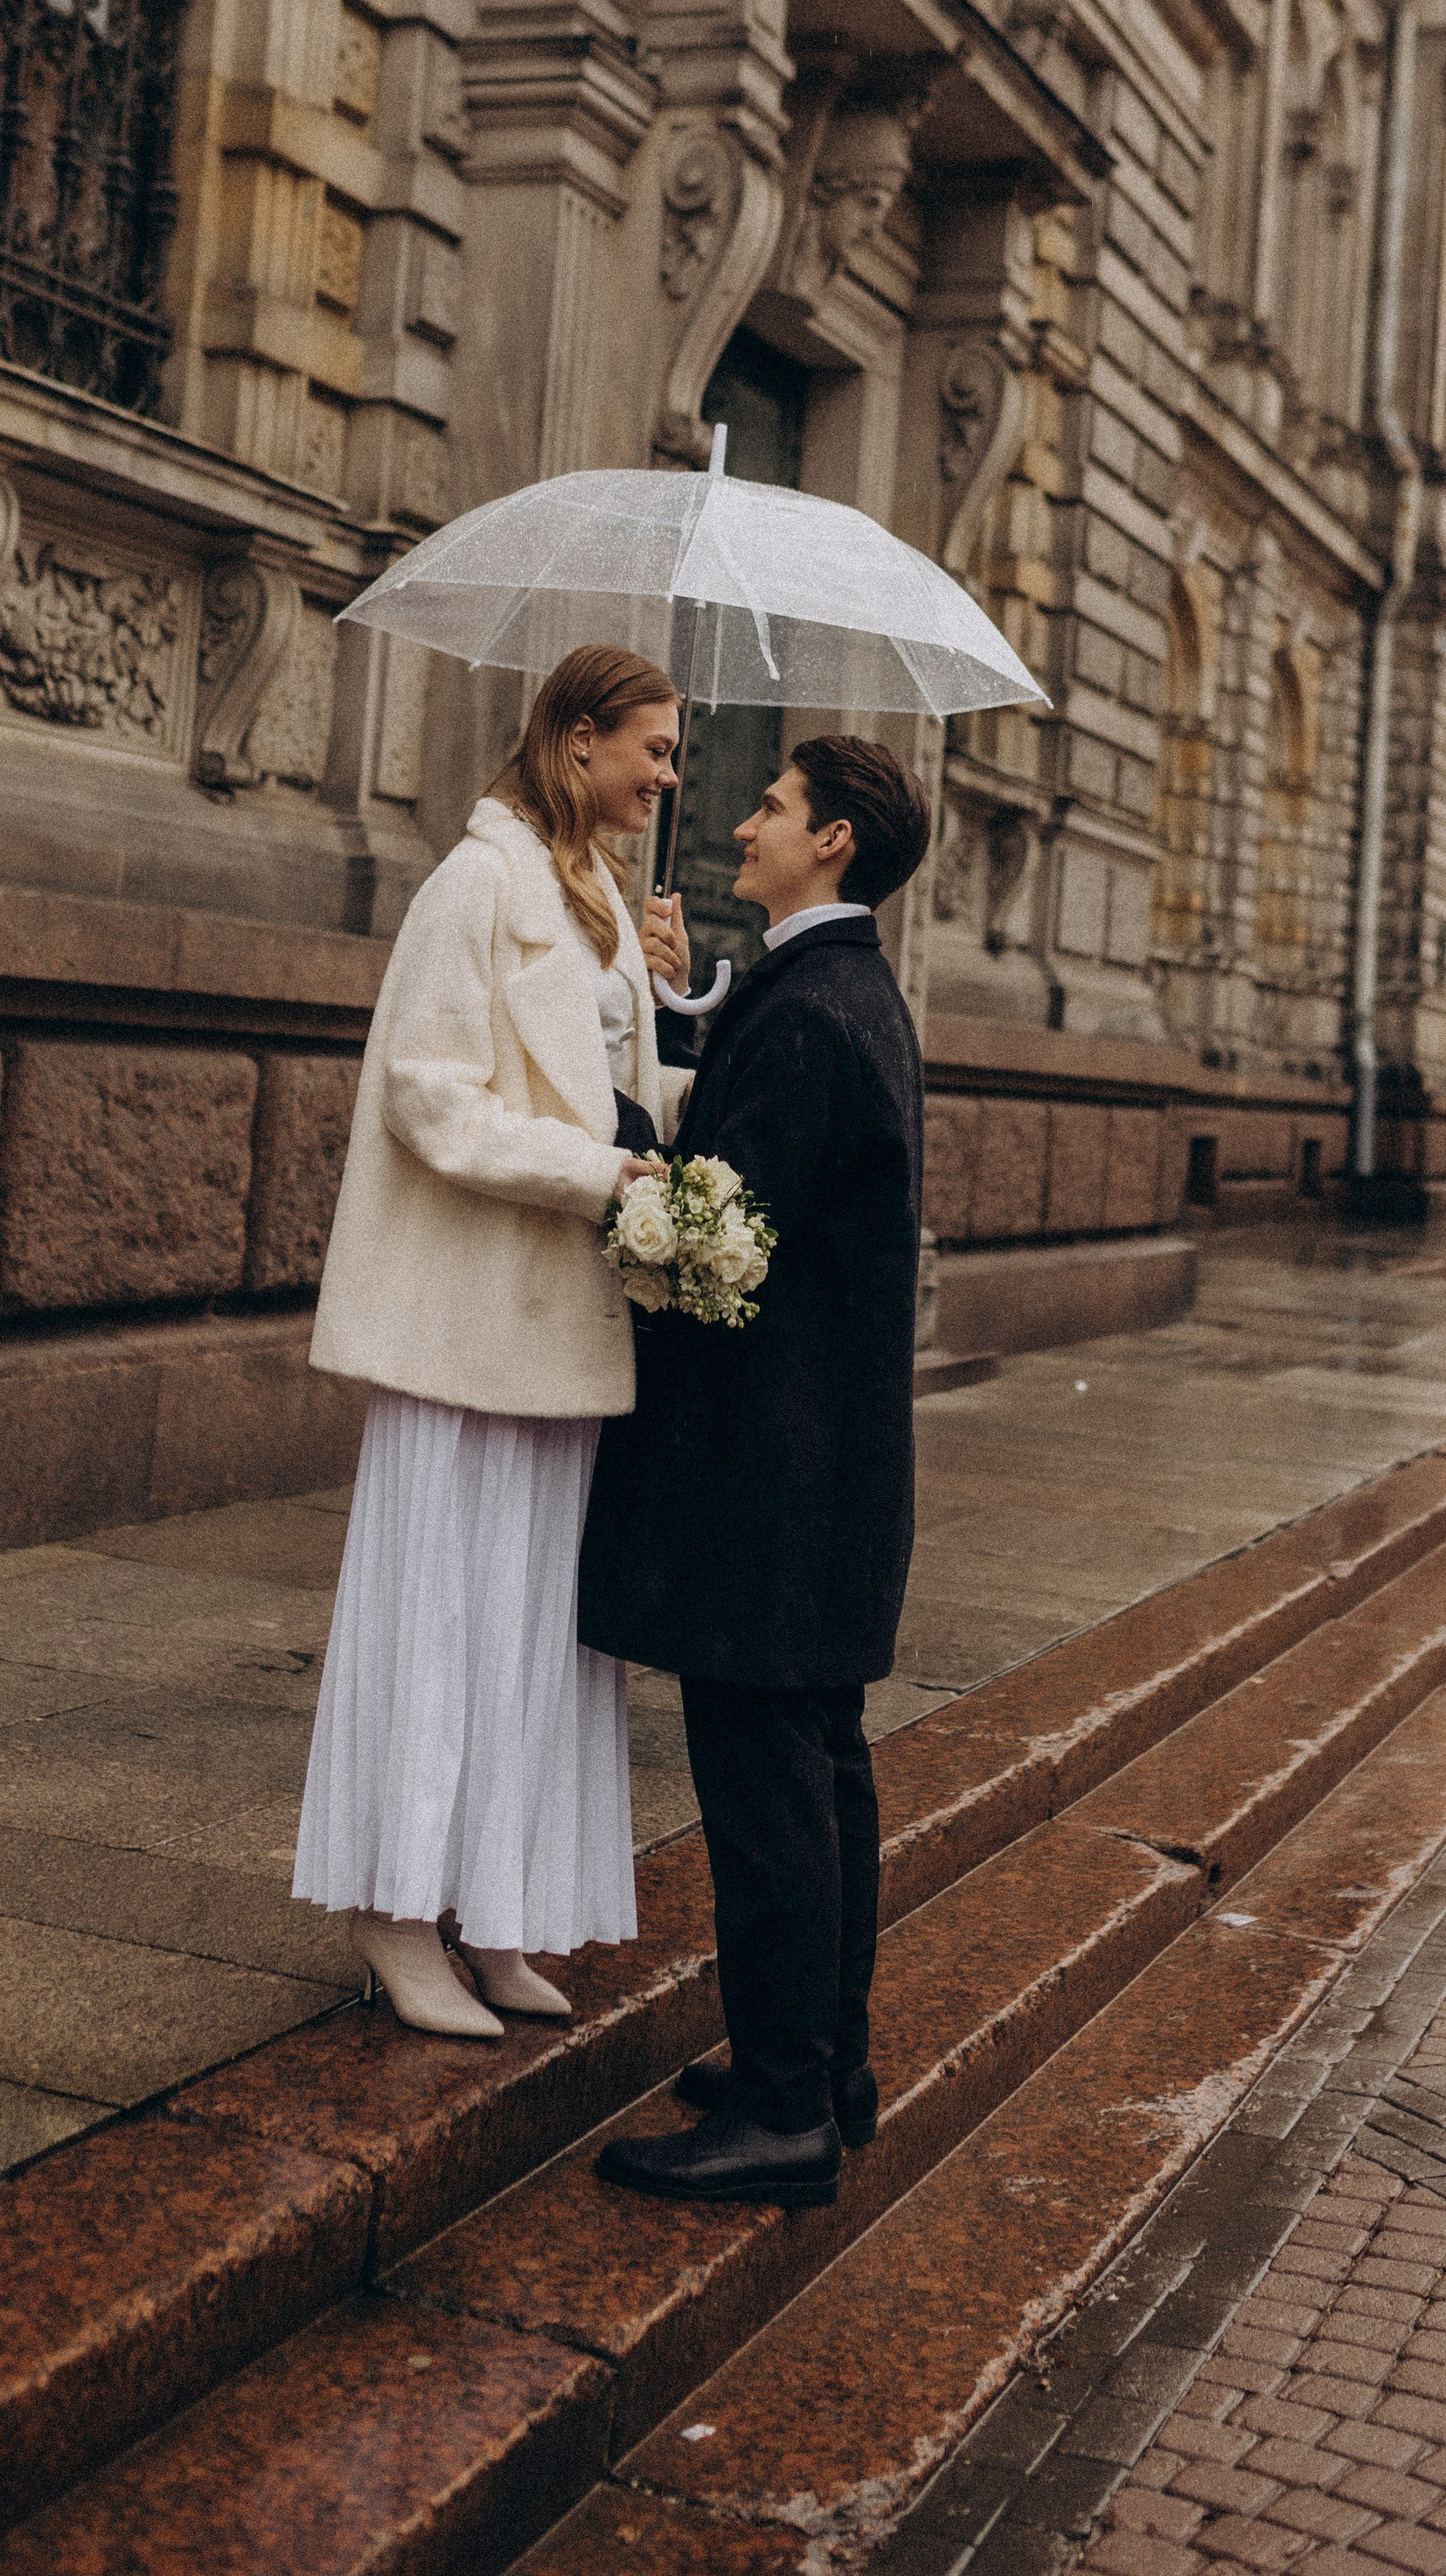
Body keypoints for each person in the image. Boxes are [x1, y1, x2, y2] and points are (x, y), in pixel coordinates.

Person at [291, 644, 690, 2035]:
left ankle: (499, 1911)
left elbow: (620, 1107)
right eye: (654, 747)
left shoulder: (599, 904)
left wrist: (672, 1021)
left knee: (536, 1637)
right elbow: (430, 1099)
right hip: (468, 1332)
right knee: (442, 1623)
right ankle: (397, 1918)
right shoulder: (476, 885)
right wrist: (598, 1178)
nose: (667, 776)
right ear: (577, 740)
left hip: (558, 1342)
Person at [580, 734, 930, 2208]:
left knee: (771, 1799)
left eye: (774, 808)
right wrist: (684, 1012)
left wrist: (613, 1147)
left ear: (834, 841)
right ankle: (825, 2064)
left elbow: (720, 1244)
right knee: (827, 1776)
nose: (740, 822)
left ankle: (785, 2110)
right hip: (834, 1484)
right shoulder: (838, 993)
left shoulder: (810, 1017)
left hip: (773, 1491)